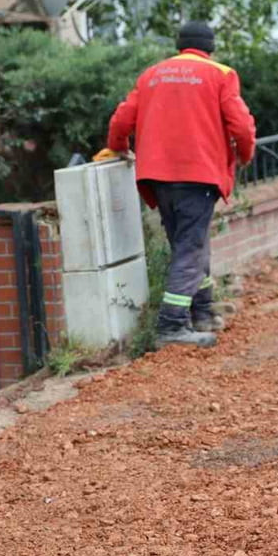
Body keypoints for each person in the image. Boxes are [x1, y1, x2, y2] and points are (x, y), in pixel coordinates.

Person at [106, 20, 256, 348]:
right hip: (198, 172)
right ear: (210, 47)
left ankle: (202, 310)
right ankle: (172, 324)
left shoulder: (152, 74)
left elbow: (121, 120)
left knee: (186, 243)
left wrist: (119, 147)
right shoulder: (220, 73)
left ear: (179, 45)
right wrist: (244, 154)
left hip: (157, 174)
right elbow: (242, 126)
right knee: (191, 246)